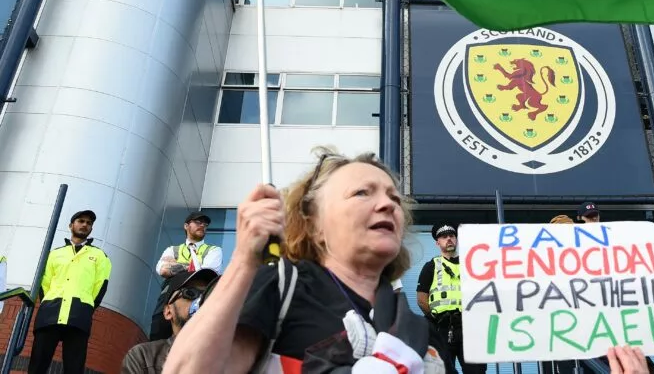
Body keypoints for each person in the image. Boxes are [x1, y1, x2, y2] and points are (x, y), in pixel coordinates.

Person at [163, 150, 445, 374]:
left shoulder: (418, 331)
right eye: (362, 192)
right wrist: (244, 260)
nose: (388, 205)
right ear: (314, 223)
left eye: (394, 197)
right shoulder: (280, 287)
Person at [28, 209, 112, 374]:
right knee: (37, 365)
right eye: (81, 221)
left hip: (79, 315)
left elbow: (100, 286)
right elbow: (45, 284)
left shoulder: (100, 256)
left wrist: (85, 306)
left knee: (74, 368)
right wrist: (51, 301)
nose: (85, 225)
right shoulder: (54, 254)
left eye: (89, 223)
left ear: (91, 229)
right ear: (71, 225)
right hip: (50, 313)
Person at [417, 223, 483, 374]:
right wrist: (436, 319)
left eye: (452, 236)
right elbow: (421, 299)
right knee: (442, 370)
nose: (449, 239)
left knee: (476, 371)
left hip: (469, 328)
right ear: (437, 242)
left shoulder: (470, 265)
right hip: (442, 329)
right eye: (444, 237)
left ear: (457, 239)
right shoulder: (431, 266)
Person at [122, 269, 217, 374]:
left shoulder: (229, 359)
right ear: (168, 312)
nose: (201, 301)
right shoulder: (143, 356)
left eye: (208, 295)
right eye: (190, 293)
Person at [150, 211, 223, 340]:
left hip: (197, 298)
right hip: (168, 297)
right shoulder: (172, 249)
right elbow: (162, 270)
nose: (202, 225)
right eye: (198, 222)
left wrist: (176, 265)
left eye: (205, 224)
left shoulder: (214, 250)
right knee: (158, 337)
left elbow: (207, 272)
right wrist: (192, 267)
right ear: (186, 226)